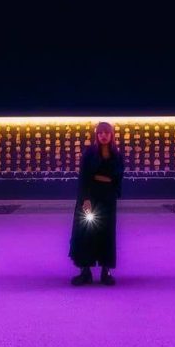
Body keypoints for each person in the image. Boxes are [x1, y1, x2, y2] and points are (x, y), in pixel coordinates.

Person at [69, 121, 125, 286]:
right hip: (90, 198)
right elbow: (85, 177)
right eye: (100, 133)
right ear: (97, 135)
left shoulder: (116, 155)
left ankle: (106, 271)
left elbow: (117, 176)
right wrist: (85, 199)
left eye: (106, 132)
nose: (103, 135)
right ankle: (85, 271)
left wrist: (103, 180)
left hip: (107, 199)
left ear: (111, 134)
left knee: (107, 233)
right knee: (87, 232)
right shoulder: (89, 154)